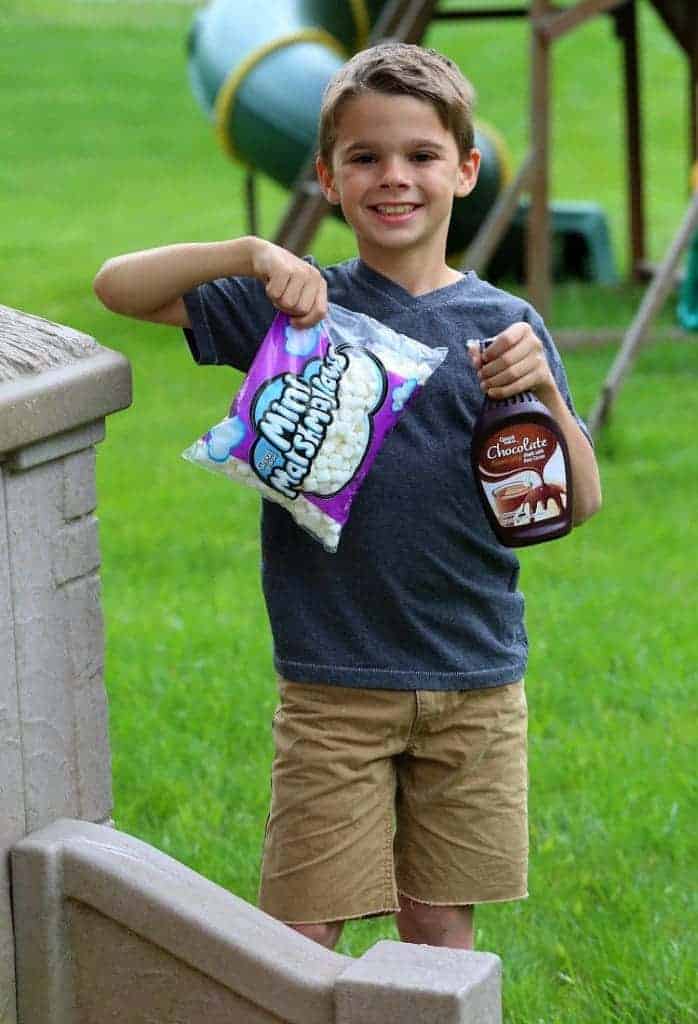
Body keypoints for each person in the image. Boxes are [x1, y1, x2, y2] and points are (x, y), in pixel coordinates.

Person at [94, 42, 602, 953]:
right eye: (365, 158)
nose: (393, 178)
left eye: (420, 155)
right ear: (328, 178)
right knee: (296, 939)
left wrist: (550, 396)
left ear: (466, 169)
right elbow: (117, 287)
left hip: (476, 679)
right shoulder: (297, 307)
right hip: (332, 684)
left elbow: (578, 502)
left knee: (441, 931)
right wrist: (249, 255)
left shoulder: (507, 327)